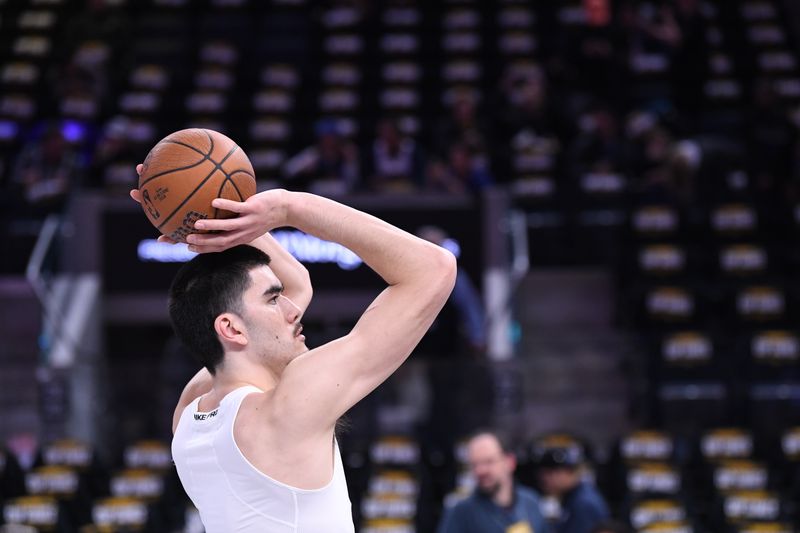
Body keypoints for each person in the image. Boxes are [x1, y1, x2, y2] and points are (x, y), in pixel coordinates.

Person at [129, 167, 457, 533]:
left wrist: (213, 216)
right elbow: (434, 267)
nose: (292, 310)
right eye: (273, 300)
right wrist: (288, 207)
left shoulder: (190, 412)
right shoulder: (289, 405)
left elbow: (298, 285)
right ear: (232, 328)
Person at [437, 431, 550, 533]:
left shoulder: (531, 502)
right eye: (474, 464)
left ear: (510, 462)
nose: (480, 471)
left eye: (488, 462)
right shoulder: (461, 513)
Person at [535, 446, 609, 533]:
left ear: (569, 473)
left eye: (549, 473)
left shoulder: (583, 504)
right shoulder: (574, 496)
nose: (544, 479)